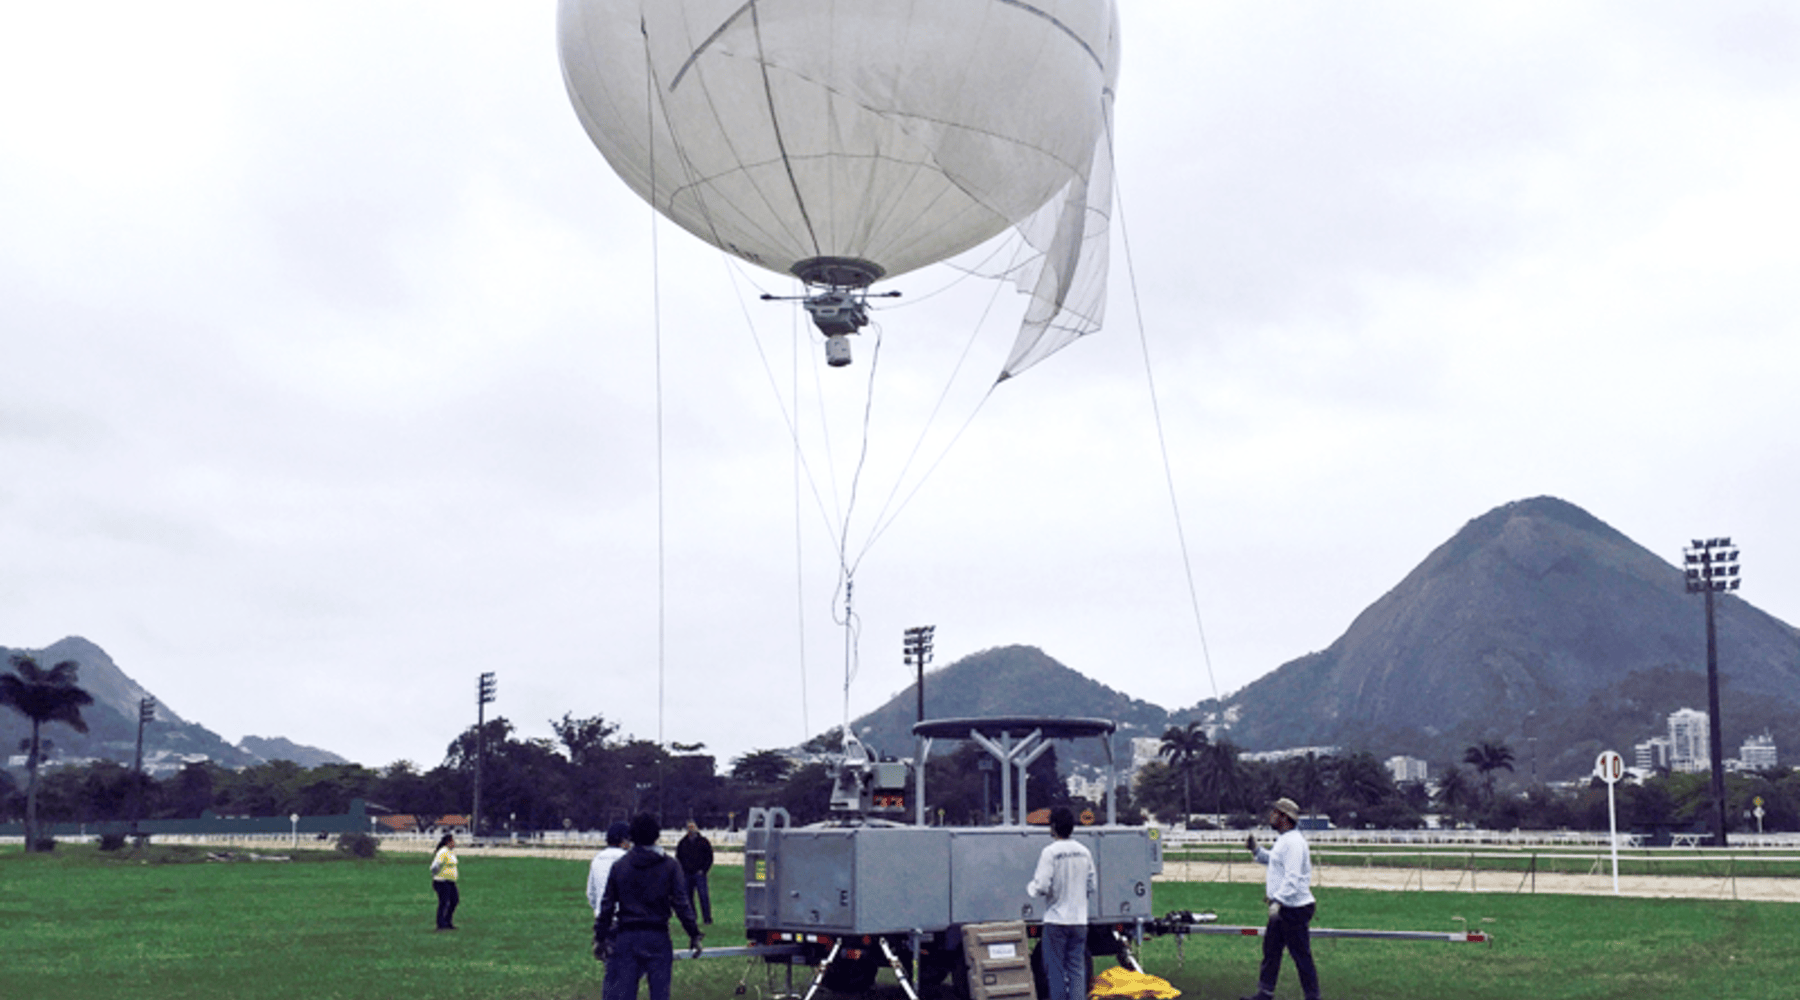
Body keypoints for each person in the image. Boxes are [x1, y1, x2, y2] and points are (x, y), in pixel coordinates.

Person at [595, 813, 703, 1000]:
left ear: (631, 837)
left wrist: (600, 937)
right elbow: (681, 905)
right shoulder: (670, 866)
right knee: (660, 994)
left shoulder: (620, 866)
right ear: (657, 836)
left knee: (625, 994)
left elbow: (607, 907)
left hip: (626, 936)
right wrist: (693, 934)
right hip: (657, 936)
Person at [1242, 798, 1319, 1000]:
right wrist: (1256, 851)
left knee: (1301, 956)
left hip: (1293, 908)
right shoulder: (1285, 839)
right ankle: (1265, 993)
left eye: (1275, 812)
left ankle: (1313, 996)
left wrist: (1278, 901)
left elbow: (1292, 877)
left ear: (1284, 817)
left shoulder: (1293, 842)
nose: (1271, 816)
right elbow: (1275, 862)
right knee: (1271, 952)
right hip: (1285, 906)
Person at [1027, 805, 1096, 1000]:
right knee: (1076, 970)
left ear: (1054, 827)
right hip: (1079, 920)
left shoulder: (1050, 852)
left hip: (1056, 920)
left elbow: (1041, 886)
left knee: (1055, 971)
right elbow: (1092, 884)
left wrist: (1030, 889)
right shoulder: (1084, 852)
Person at [586, 821, 631, 917]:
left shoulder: (597, 859)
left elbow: (591, 893)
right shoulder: (628, 859)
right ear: (623, 841)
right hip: (625, 917)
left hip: (602, 916)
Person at [675, 820, 715, 924]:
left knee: (703, 897)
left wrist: (704, 870)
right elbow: (678, 858)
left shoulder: (703, 842)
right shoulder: (682, 843)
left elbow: (709, 857)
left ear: (696, 828)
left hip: (699, 874)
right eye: (689, 827)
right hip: (687, 874)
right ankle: (692, 917)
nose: (691, 829)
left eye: (692, 827)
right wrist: (682, 871)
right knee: (688, 898)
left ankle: (707, 918)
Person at [430, 832, 459, 931]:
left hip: (450, 882)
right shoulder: (443, 851)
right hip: (442, 881)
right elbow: (435, 866)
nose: (454, 843)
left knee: (454, 900)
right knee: (444, 902)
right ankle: (440, 924)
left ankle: (448, 921)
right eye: (452, 841)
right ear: (448, 842)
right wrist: (436, 875)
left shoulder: (450, 852)